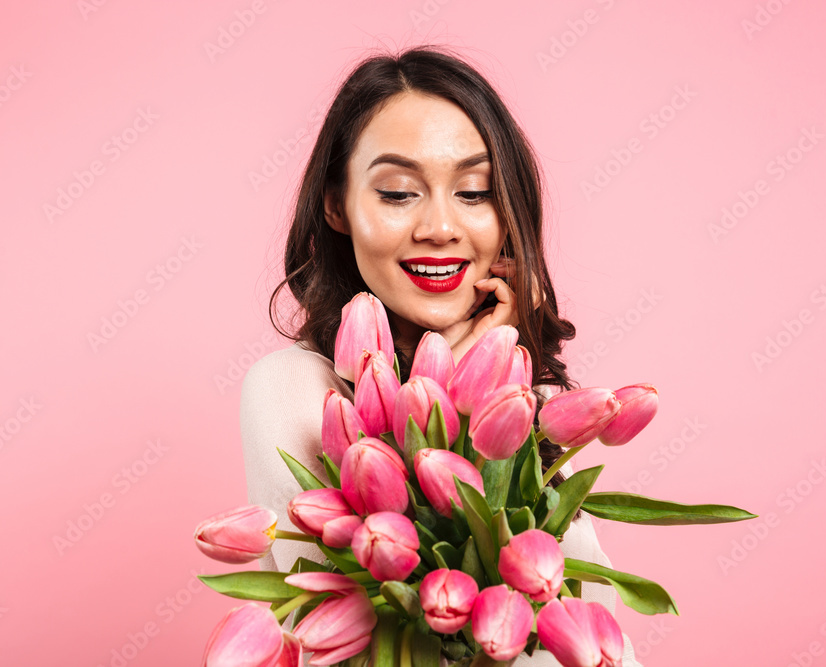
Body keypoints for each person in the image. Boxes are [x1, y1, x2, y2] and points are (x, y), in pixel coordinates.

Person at [240, 45, 642, 666]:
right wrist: (452, 393)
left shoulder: (533, 402)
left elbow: (593, 635)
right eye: (399, 193)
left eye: (475, 192)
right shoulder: (293, 388)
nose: (440, 227)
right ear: (335, 204)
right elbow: (365, 632)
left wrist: (487, 377)